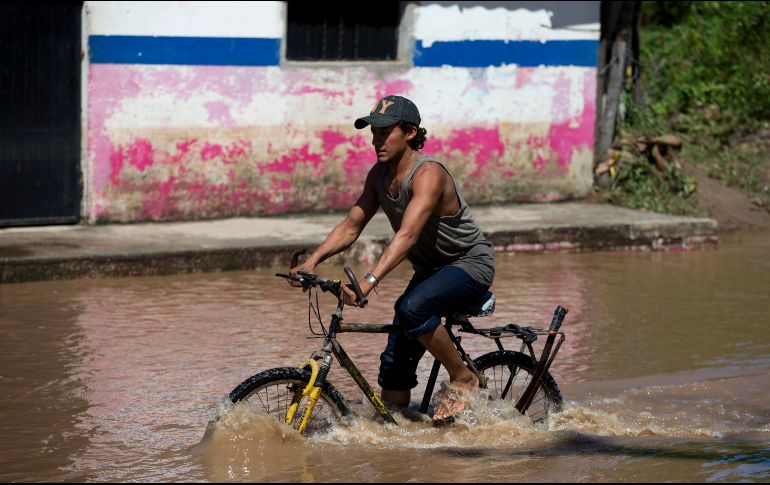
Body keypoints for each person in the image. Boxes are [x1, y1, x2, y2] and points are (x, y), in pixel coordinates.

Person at [289, 95, 495, 423]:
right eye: (373, 132)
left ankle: (462, 376)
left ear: (410, 132)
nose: (376, 140)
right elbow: (352, 224)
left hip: (469, 264)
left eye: (385, 132)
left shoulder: (428, 173)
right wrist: (312, 261)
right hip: (430, 271)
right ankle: (398, 429)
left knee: (413, 308)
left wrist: (369, 281)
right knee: (394, 366)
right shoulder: (379, 175)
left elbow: (407, 235)